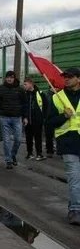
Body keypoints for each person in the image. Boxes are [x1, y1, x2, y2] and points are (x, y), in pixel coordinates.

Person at [46, 67, 80, 225]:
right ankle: (75, 210)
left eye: (70, 77)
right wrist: (63, 116)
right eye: (65, 77)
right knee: (74, 178)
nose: (66, 79)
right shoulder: (56, 97)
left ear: (78, 79)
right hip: (68, 142)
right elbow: (50, 122)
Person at [0, 71, 27, 169]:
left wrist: (25, 117)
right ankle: (8, 160)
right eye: (8, 77)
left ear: (14, 78)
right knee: (6, 140)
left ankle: (13, 154)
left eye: (11, 77)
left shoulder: (20, 90)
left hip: (17, 117)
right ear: (5, 78)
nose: (9, 79)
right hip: (4, 118)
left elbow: (25, 104)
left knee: (18, 139)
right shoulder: (0, 89)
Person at [23, 78, 46, 161]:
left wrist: (43, 118)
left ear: (31, 84)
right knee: (28, 137)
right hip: (27, 120)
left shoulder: (40, 94)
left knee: (38, 137)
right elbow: (23, 107)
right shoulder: (25, 94)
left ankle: (39, 154)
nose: (24, 86)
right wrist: (24, 117)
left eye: (25, 84)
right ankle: (29, 153)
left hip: (37, 120)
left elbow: (46, 106)